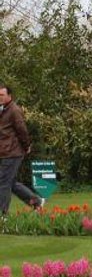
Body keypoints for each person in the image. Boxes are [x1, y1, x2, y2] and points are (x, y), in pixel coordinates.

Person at [0, 83, 43, 215]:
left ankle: (3, 215)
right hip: (5, 152)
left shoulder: (14, 110)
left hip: (12, 152)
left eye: (2, 95)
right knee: (10, 182)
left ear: (9, 96)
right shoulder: (3, 109)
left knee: (3, 183)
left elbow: (22, 130)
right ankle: (36, 202)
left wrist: (27, 146)